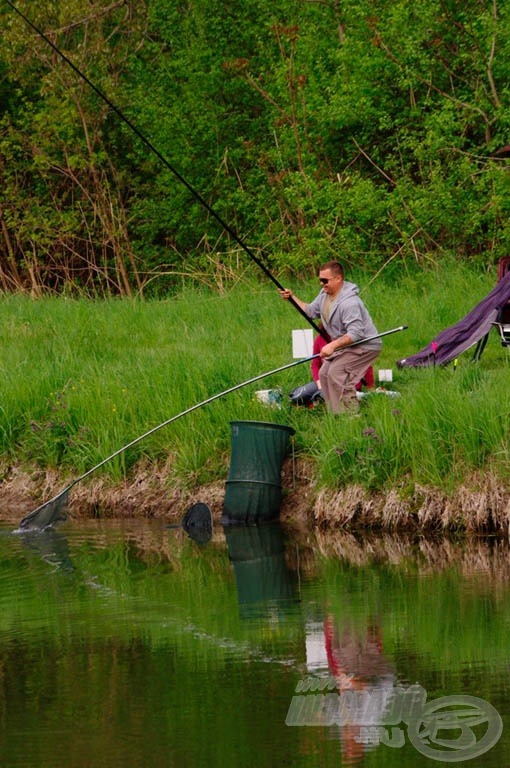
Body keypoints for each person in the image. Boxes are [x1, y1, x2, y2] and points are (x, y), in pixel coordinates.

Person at [280, 261, 381, 413]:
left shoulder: (349, 303)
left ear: (338, 278)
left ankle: (350, 416)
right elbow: (310, 311)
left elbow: (356, 333)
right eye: (320, 280)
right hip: (347, 345)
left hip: (365, 345)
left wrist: (332, 345)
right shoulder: (324, 295)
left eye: (325, 280)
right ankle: (335, 413)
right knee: (324, 373)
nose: (322, 284)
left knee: (338, 374)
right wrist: (292, 298)